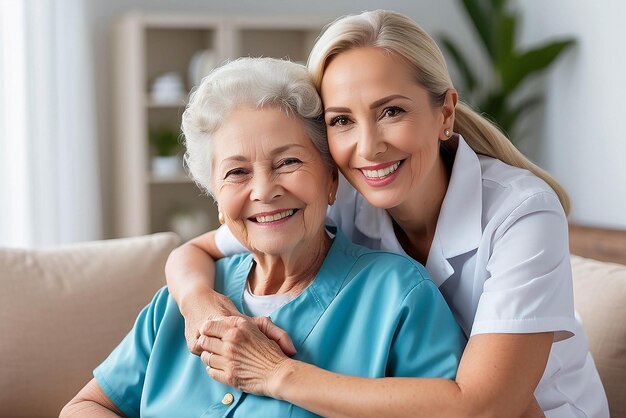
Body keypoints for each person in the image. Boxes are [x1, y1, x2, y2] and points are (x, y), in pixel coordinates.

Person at [164, 9, 609, 418]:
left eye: (391, 111)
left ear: (445, 113)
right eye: (342, 121)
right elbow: (192, 253)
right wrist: (200, 306)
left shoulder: (522, 213)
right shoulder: (344, 194)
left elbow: (484, 408)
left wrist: (276, 374)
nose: (369, 146)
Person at [61, 57, 465, 418]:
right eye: (237, 172)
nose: (264, 190)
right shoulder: (180, 303)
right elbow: (87, 405)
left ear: (330, 179)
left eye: (288, 162)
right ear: (218, 199)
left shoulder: (399, 295)